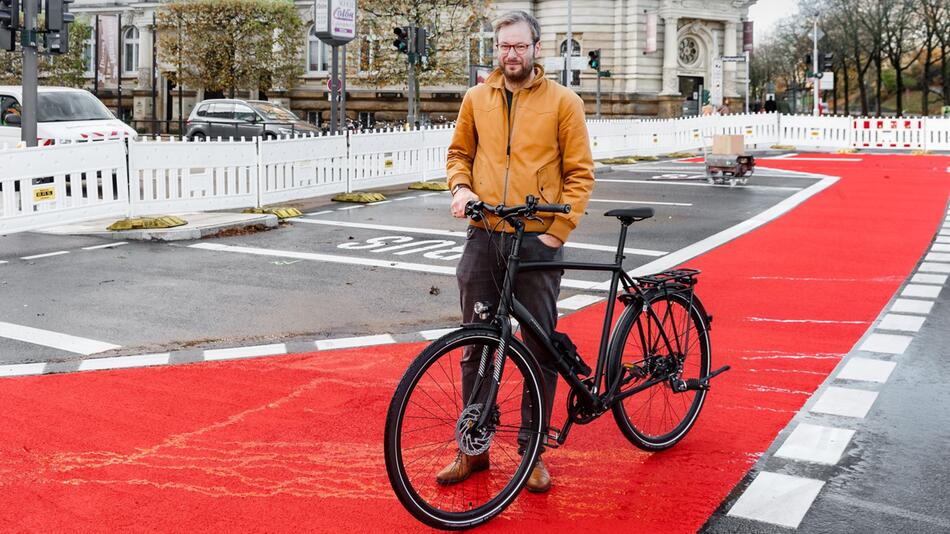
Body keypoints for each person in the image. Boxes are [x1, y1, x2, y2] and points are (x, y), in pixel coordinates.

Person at [442, 9, 595, 494]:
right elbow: (458, 155)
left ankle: (533, 453)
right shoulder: (475, 98)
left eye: (519, 46)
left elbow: (580, 173)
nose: (511, 55)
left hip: (536, 241)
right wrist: (460, 189)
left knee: (538, 348)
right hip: (485, 234)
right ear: (497, 49)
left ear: (536, 48)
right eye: (504, 46)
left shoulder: (563, 102)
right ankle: (475, 447)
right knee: (476, 345)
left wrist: (556, 232)